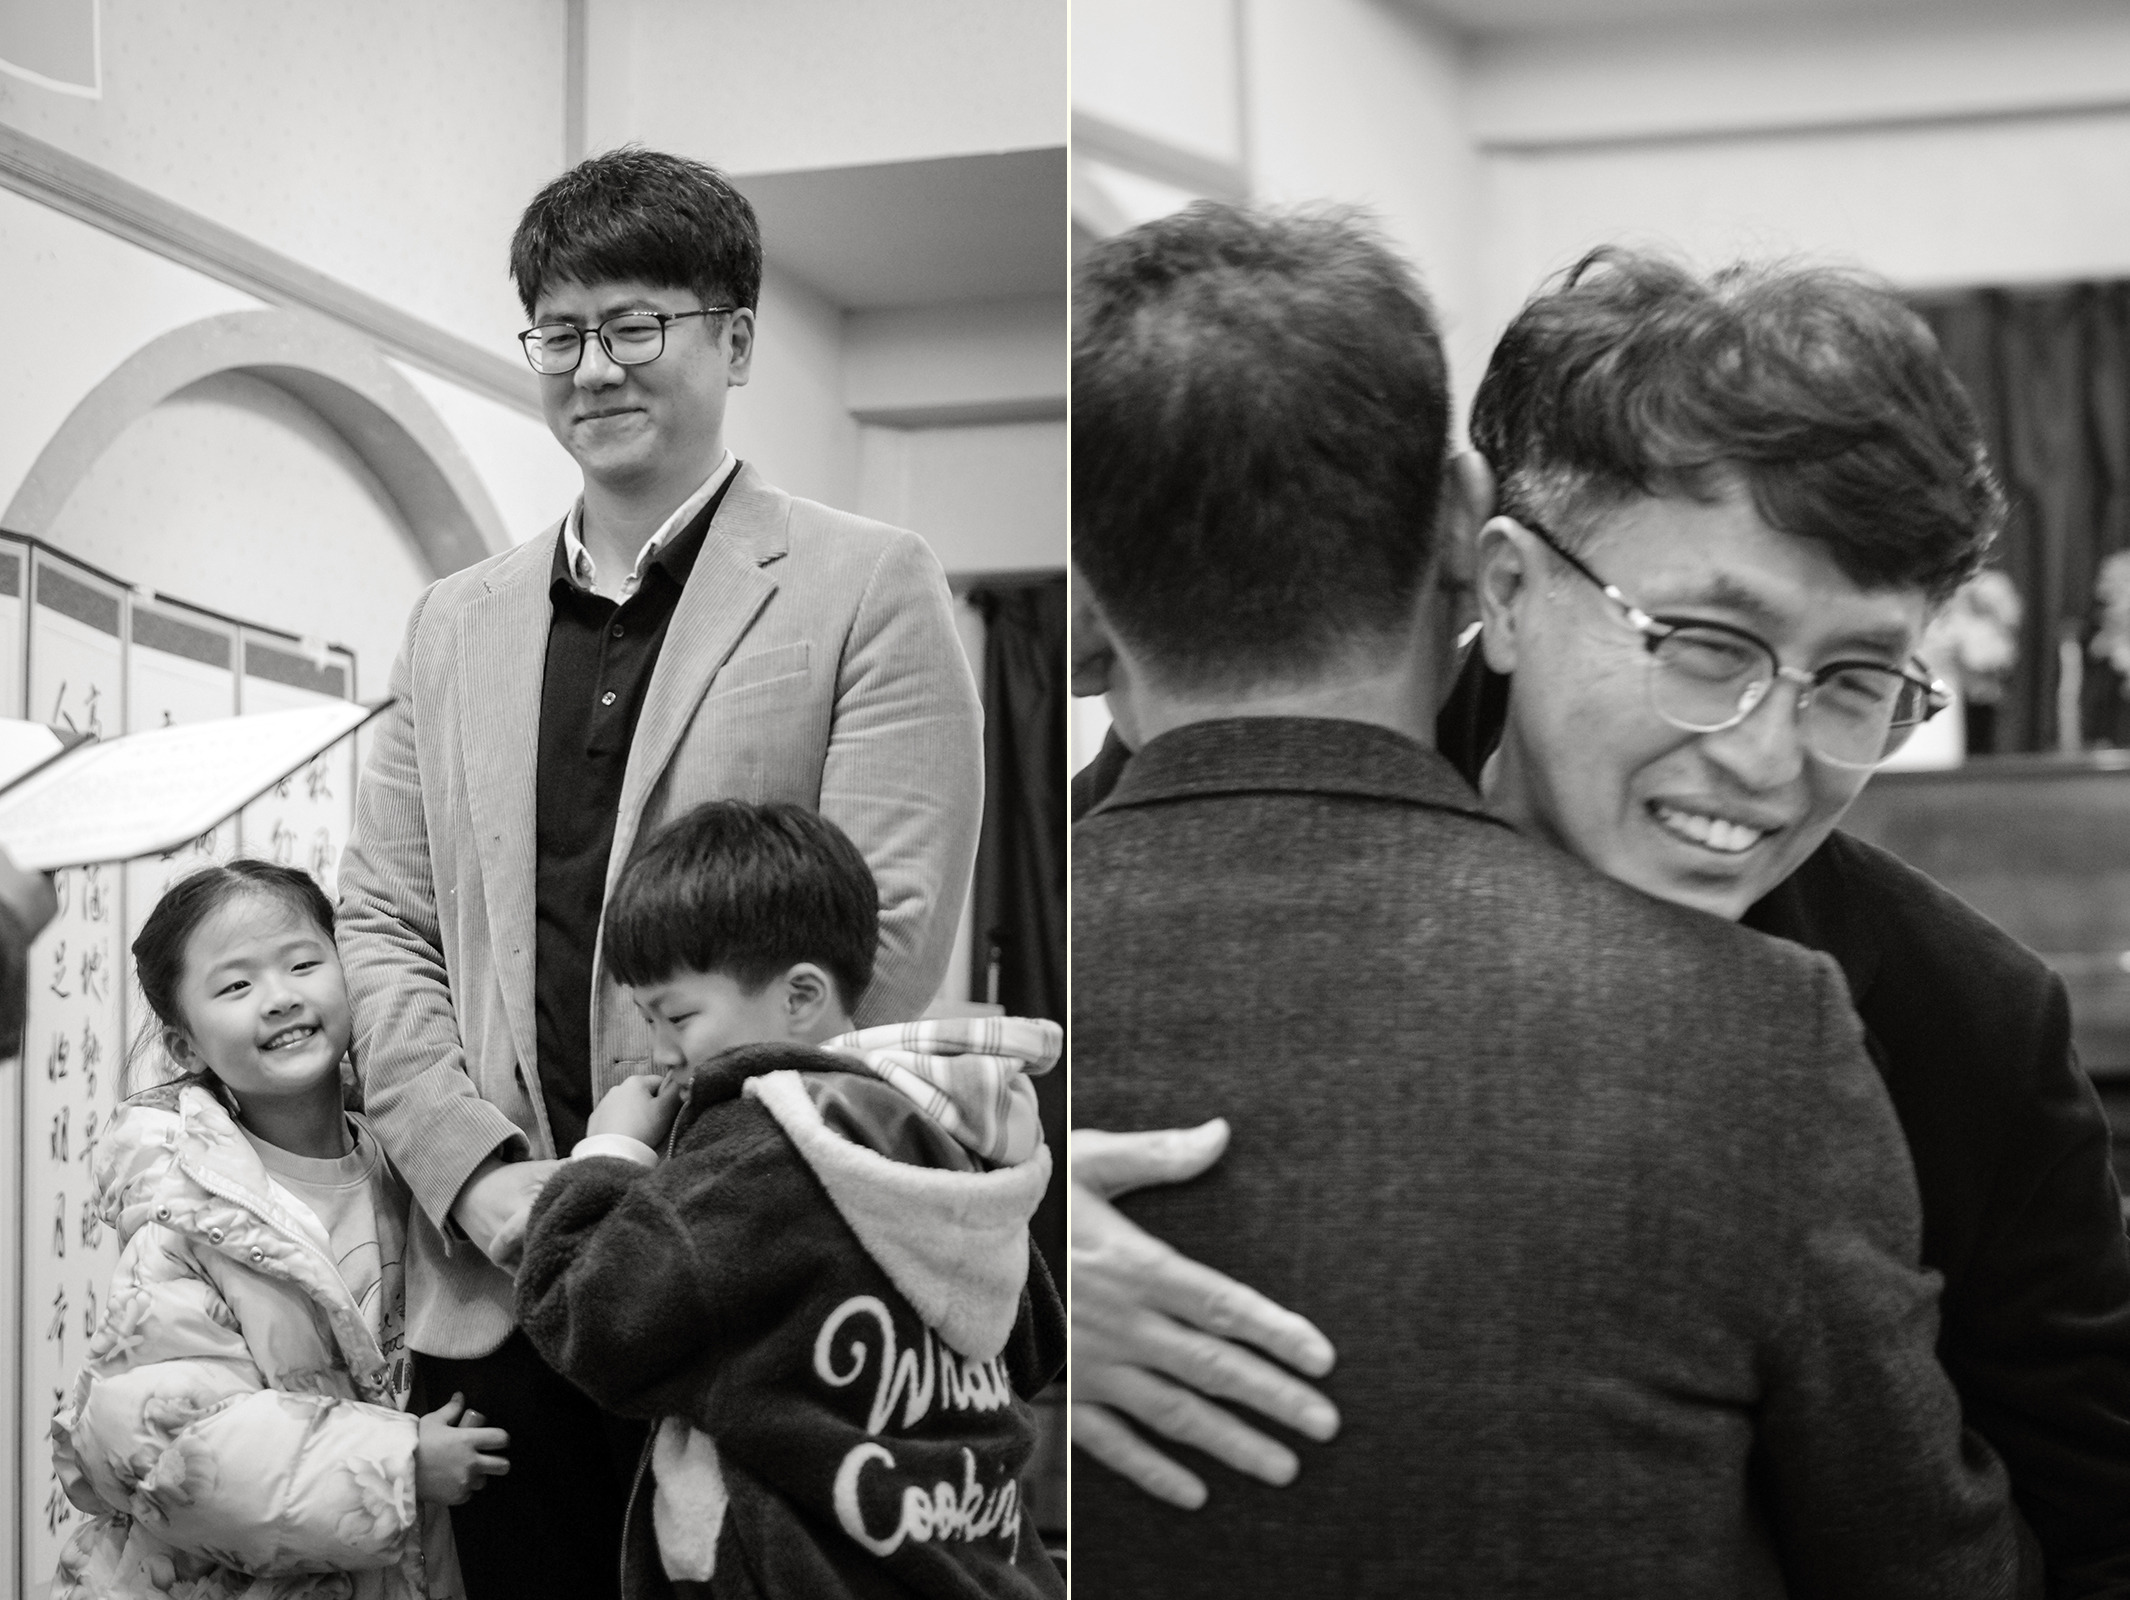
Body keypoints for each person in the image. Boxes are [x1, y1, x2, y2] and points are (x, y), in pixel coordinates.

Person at [1080, 247, 2130, 1594]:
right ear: (1507, 589)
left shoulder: (1967, 1024)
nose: (1767, 761)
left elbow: (2094, 1527)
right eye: (1706, 645)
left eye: (1856, 680)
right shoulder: (1191, 830)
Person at [337, 149, 985, 1598]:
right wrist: (480, 1179)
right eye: (561, 333)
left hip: (746, 1286)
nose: (595, 368)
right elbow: (383, 920)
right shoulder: (452, 621)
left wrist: (652, 1194)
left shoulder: (866, 583)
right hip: (502, 1287)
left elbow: (876, 936)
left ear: (735, 340)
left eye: (636, 325)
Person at [513, 800, 1064, 1598]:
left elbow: (586, 1317)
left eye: (677, 1016)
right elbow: (1034, 1346)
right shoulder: (946, 1132)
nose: (660, 1053)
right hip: (975, 1557)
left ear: (801, 995)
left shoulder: (754, 1149)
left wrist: (609, 1153)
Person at [49, 860, 508, 1600]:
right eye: (236, 986)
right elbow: (163, 1444)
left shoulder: (412, 1160)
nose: (280, 997)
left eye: (302, 964)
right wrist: (398, 1467)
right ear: (185, 1047)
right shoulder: (183, 1214)